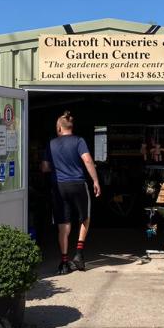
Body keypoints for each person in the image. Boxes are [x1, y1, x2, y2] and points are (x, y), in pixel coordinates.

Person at [40, 111, 101, 274]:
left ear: (59, 127)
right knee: (84, 218)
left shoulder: (51, 144)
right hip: (78, 184)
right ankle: (79, 254)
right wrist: (95, 180)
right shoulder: (79, 141)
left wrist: (58, 167)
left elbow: (44, 167)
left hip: (59, 186)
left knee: (63, 225)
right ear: (70, 127)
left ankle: (64, 262)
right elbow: (87, 160)